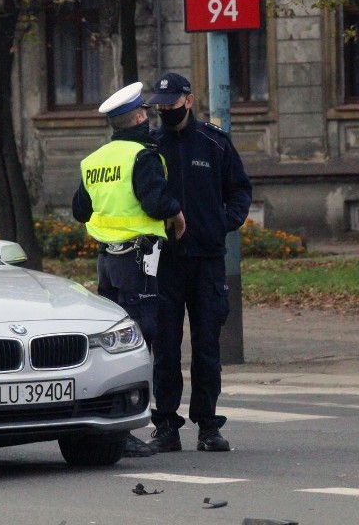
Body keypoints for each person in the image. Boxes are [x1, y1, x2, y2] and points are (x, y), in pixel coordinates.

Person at [72, 81, 185, 458]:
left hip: (107, 262)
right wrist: (174, 209)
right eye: (146, 114)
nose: (149, 119)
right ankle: (125, 429)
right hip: (138, 262)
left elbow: (80, 211)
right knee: (138, 343)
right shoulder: (142, 156)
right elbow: (154, 203)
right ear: (138, 117)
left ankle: (108, 423)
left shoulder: (95, 160)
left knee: (111, 340)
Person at [144, 72, 252, 453]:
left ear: (188, 101)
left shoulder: (214, 143)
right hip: (166, 261)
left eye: (170, 104)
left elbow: (239, 189)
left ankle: (208, 425)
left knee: (207, 346)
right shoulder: (151, 145)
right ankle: (167, 426)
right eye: (159, 105)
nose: (164, 110)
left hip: (207, 260)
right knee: (166, 348)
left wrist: (223, 223)